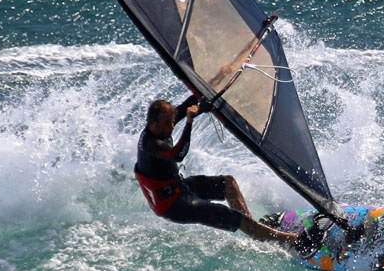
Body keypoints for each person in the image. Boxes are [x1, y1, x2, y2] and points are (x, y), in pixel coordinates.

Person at [134, 94, 320, 253]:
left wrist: (205, 91)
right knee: (236, 219)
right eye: (168, 123)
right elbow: (178, 155)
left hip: (179, 188)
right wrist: (190, 122)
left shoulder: (163, 123)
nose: (172, 126)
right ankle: (296, 241)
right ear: (152, 123)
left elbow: (184, 107)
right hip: (174, 205)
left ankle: (254, 228)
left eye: (173, 121)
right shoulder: (151, 145)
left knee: (227, 183)